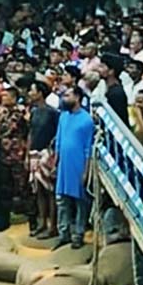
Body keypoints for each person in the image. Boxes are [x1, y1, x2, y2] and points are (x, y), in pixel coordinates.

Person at [54, 86, 94, 248]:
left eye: (68, 95)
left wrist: (86, 170)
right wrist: (55, 160)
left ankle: (78, 234)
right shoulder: (63, 116)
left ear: (77, 97)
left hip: (78, 165)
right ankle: (63, 233)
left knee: (80, 202)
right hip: (63, 164)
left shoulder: (86, 120)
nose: (64, 98)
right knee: (61, 200)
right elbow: (59, 139)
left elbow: (88, 148)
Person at [0, 89, 28, 229]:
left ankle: (20, 214)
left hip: (15, 154)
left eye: (7, 96)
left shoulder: (22, 112)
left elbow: (26, 132)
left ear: (15, 97)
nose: (4, 98)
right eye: (3, 95)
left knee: (17, 187)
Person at [27, 81, 59, 238]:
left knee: (50, 191)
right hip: (34, 153)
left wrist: (54, 155)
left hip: (47, 153)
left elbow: (57, 136)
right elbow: (31, 133)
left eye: (32, 90)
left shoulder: (52, 113)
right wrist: (28, 154)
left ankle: (53, 225)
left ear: (40, 93)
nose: (30, 93)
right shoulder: (34, 111)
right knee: (38, 190)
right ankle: (42, 223)